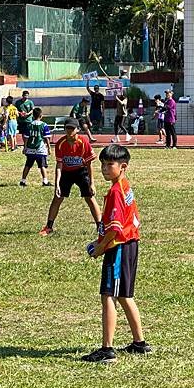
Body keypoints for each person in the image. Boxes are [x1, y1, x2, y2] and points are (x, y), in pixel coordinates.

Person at [81, 144, 150, 363]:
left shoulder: (116, 192)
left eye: (109, 164)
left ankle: (107, 349)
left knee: (108, 295)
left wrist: (100, 248)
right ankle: (139, 343)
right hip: (129, 244)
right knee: (124, 295)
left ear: (123, 167)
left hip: (119, 247)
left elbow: (115, 229)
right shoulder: (124, 186)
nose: (104, 168)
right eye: (102, 163)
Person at [39, 118, 101, 236]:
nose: (69, 131)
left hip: (81, 172)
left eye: (72, 128)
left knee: (90, 198)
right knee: (57, 198)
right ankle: (49, 226)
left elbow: (89, 164)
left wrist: (92, 183)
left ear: (77, 130)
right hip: (67, 173)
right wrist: (57, 184)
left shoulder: (83, 143)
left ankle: (100, 226)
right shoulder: (61, 144)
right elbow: (59, 165)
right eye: (67, 128)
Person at [20, 108, 52, 187]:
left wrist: (25, 147)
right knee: (42, 166)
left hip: (30, 148)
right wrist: (49, 147)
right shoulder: (44, 125)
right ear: (41, 115)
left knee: (27, 165)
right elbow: (46, 137)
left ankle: (23, 180)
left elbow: (26, 137)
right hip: (40, 149)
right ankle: (45, 181)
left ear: (33, 116)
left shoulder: (29, 125)